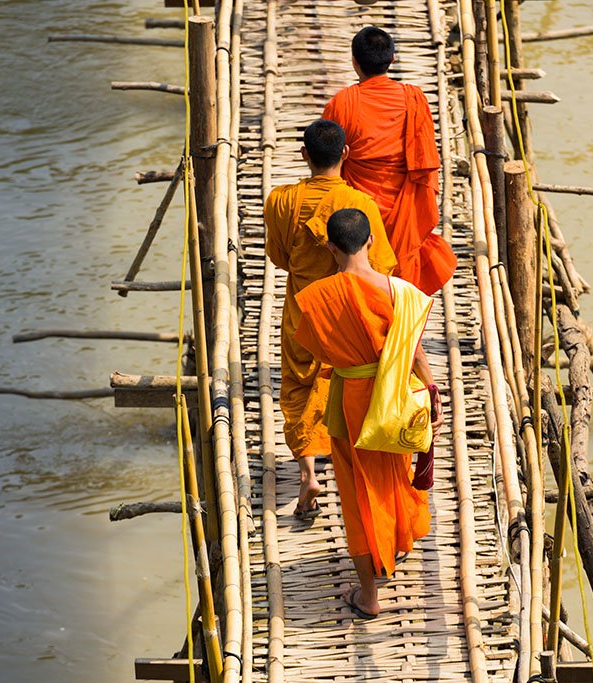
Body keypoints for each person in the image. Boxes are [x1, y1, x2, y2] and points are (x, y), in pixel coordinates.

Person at [294, 208, 442, 619]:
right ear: (372, 241)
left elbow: (317, 352)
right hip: (396, 397)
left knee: (357, 491)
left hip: (352, 403)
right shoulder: (401, 292)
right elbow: (414, 352)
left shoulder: (315, 298)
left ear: (329, 247)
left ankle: (368, 594)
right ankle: (394, 544)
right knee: (393, 472)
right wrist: (431, 392)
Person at [265, 119, 397, 518]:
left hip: (303, 307)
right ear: (346, 154)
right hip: (349, 312)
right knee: (344, 386)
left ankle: (308, 471)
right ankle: (351, 465)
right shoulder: (363, 206)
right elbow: (382, 266)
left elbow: (277, 256)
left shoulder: (281, 201)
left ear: (304, 155)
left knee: (298, 388)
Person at [322, 26, 457, 297]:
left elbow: (328, 161)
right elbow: (425, 161)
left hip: (358, 214)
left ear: (354, 62)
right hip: (405, 208)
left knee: (359, 286)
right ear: (392, 59)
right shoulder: (414, 99)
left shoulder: (342, 103)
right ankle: (403, 332)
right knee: (402, 285)